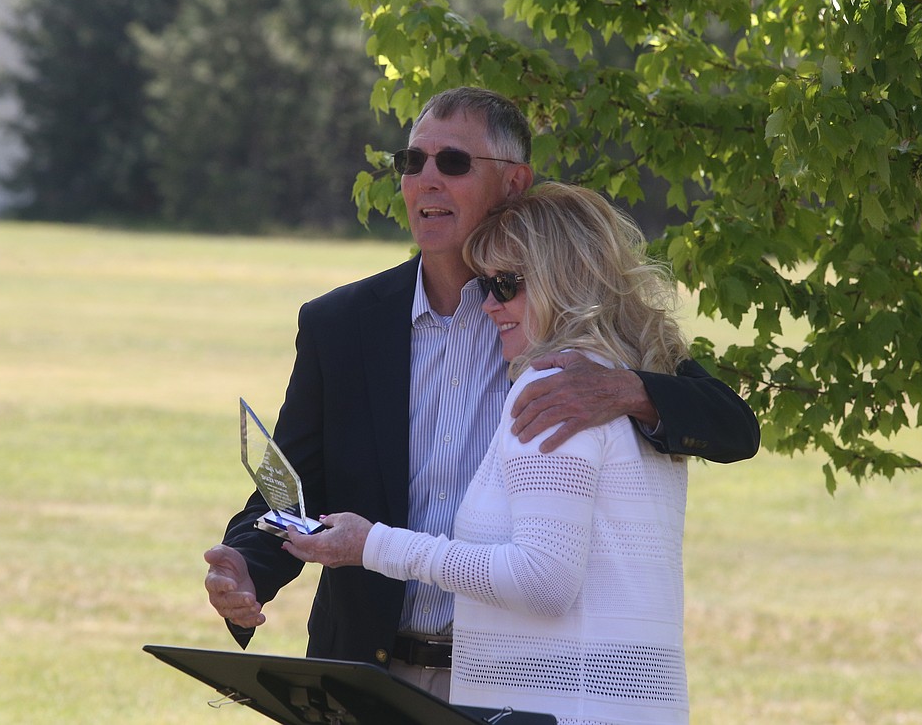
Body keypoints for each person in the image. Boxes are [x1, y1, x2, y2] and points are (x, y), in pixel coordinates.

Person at [205, 87, 758, 697]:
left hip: (516, 680)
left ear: (515, 181)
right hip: (370, 673)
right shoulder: (340, 323)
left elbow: (734, 426)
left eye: (454, 162)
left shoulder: (558, 321)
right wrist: (246, 566)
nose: (427, 180)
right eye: (412, 162)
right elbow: (291, 486)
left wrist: (626, 390)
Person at [286, 182, 695, 724]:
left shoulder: (554, 386)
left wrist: (374, 545)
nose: (488, 304)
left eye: (504, 284)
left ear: (562, 278)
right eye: (486, 284)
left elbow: (541, 581)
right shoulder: (632, 380)